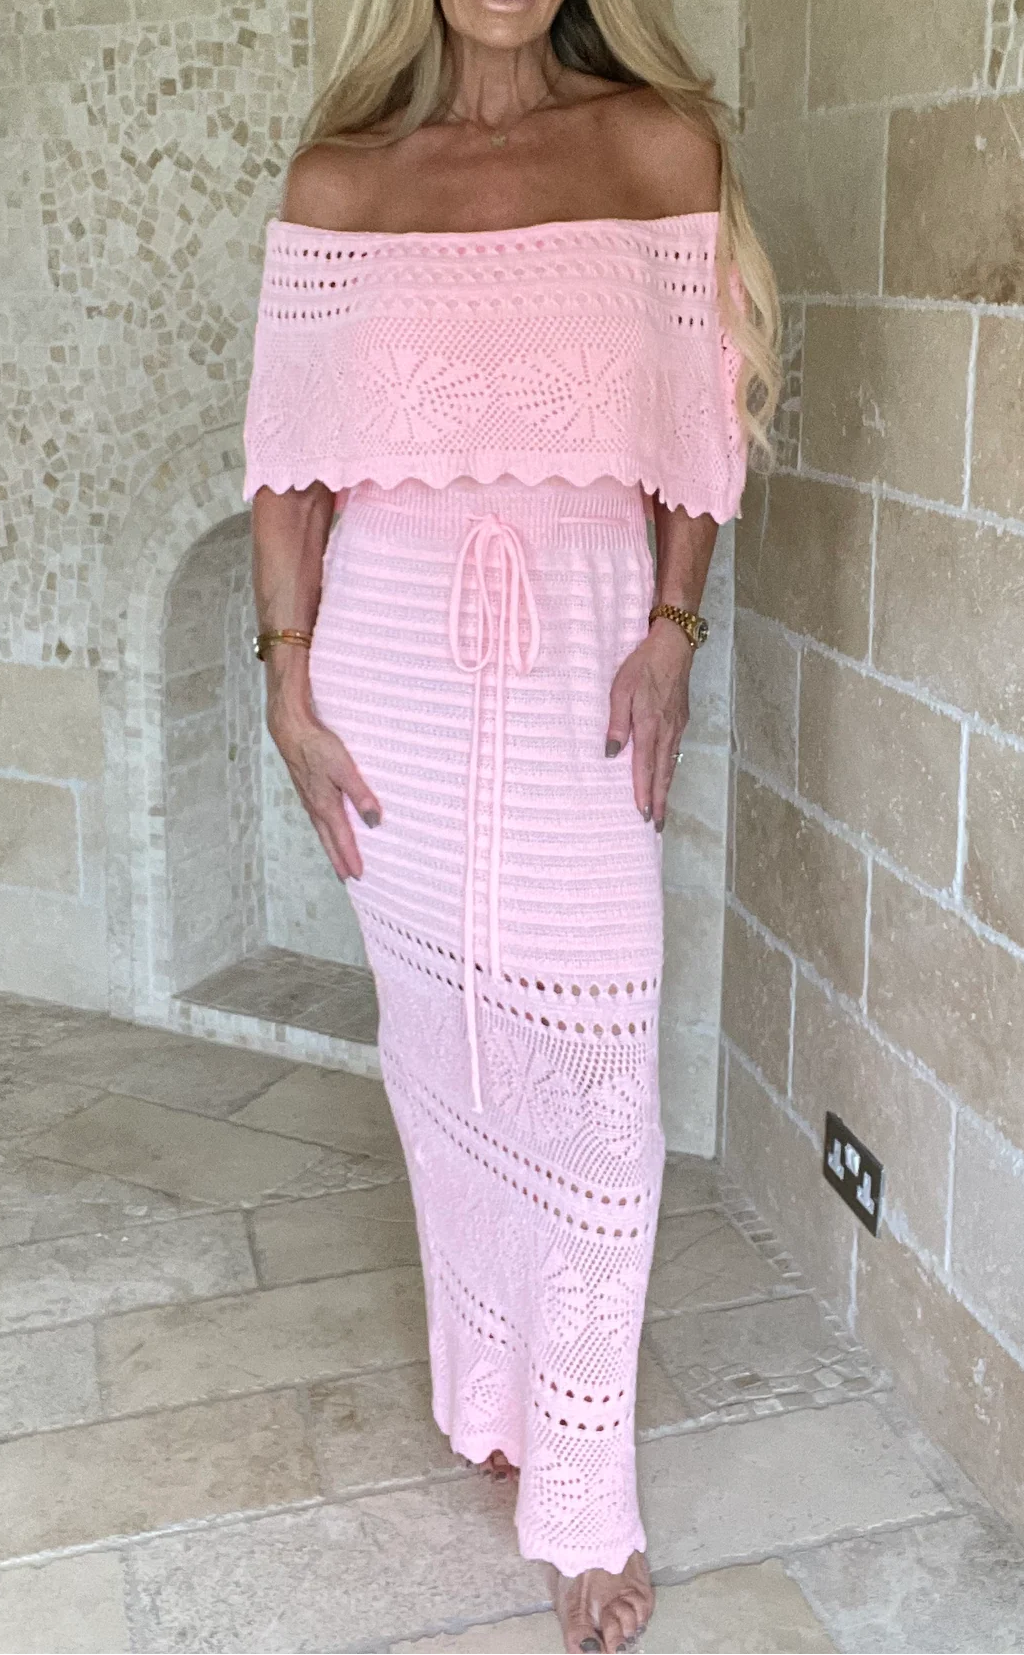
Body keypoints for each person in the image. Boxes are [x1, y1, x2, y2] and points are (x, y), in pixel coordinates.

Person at [243, 2, 778, 1648]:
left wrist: (671, 630)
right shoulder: (340, 184)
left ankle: (585, 1495)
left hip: (577, 663)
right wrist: (285, 681)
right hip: (389, 672)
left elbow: (701, 423)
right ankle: (488, 1386)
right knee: (444, 1052)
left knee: (600, 1101)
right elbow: (286, 466)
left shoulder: (656, 149)